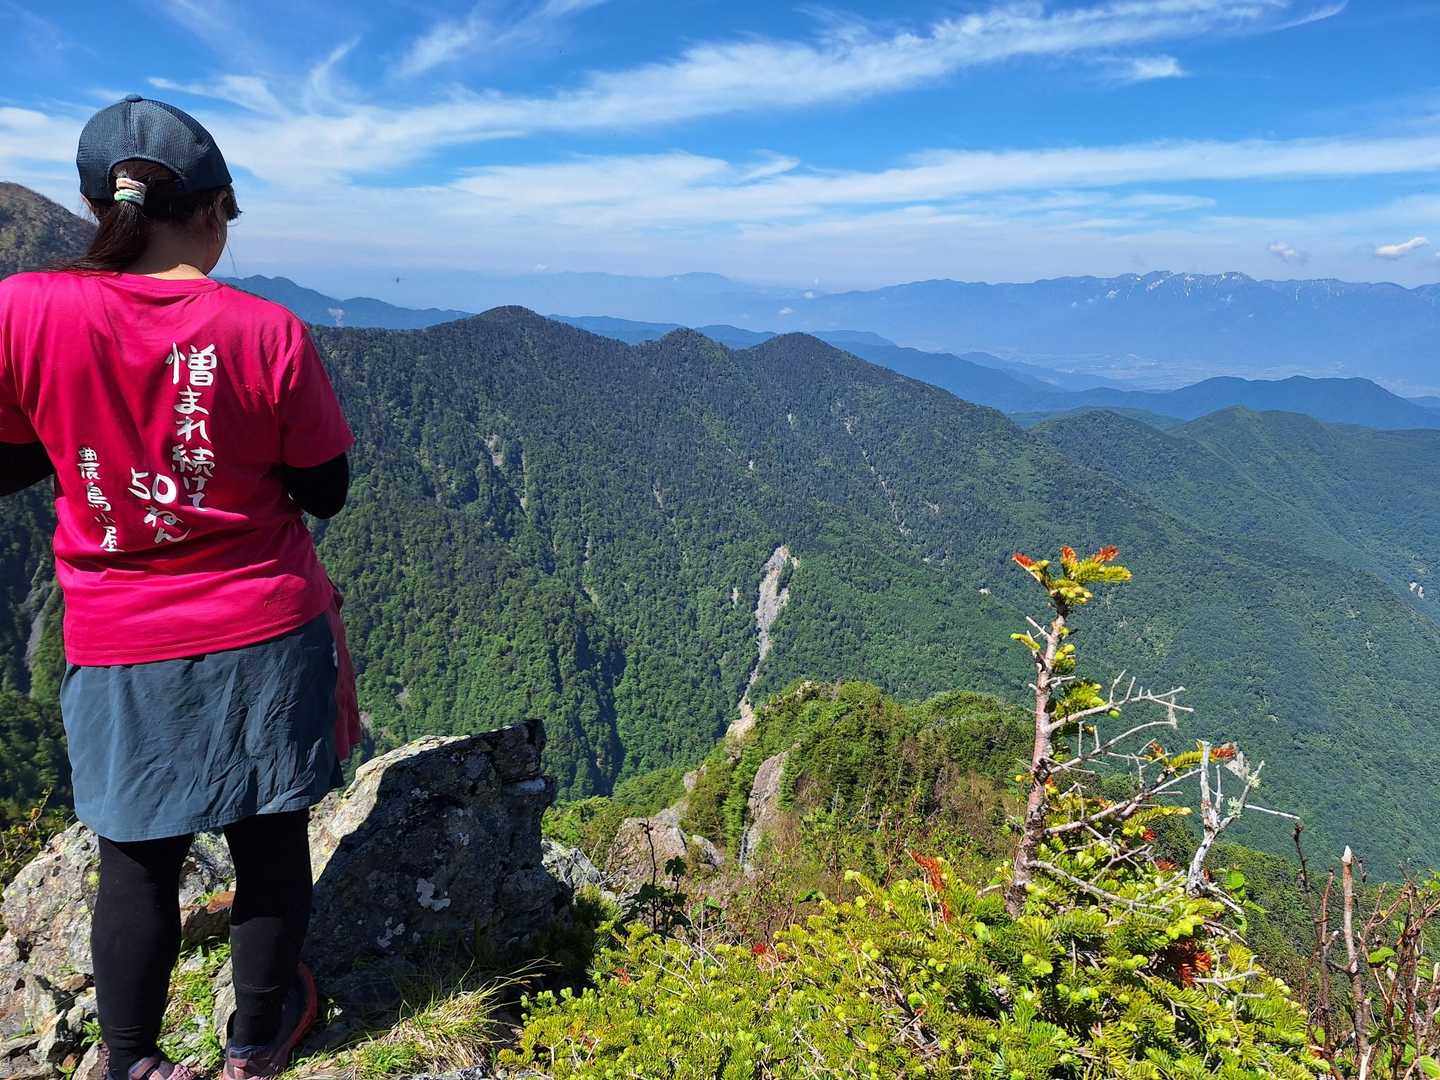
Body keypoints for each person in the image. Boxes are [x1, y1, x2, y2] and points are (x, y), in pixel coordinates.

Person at [0, 96, 356, 1080]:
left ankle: (133, 1062)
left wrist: (93, 448)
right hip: (263, 623)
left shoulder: (21, 310)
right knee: (270, 843)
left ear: (96, 210)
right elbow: (325, 489)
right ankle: (255, 1045)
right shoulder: (265, 332)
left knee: (138, 858)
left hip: (117, 635)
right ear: (215, 213)